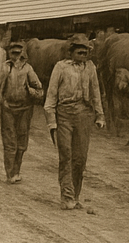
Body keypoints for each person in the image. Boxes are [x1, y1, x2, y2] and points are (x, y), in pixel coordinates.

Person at [44, 32, 105, 210]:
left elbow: (96, 93)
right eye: (79, 51)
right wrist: (52, 122)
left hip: (84, 116)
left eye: (85, 52)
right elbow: (51, 95)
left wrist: (100, 115)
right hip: (64, 115)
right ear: (71, 52)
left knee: (80, 159)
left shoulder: (90, 68)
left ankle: (75, 195)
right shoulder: (61, 67)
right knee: (66, 156)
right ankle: (67, 196)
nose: (82, 55)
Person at [0, 38, 43, 181]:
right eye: (13, 53)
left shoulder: (28, 68)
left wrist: (33, 92)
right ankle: (10, 173)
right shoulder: (4, 68)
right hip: (8, 109)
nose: (16, 56)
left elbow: (39, 89)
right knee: (10, 142)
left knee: (22, 142)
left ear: (22, 54)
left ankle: (17, 171)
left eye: (18, 53)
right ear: (9, 53)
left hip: (25, 109)